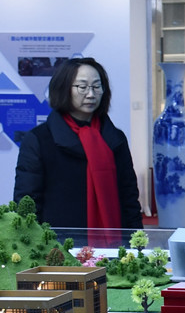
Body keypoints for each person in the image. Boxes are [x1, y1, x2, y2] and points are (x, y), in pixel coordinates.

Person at [14, 56, 143, 236]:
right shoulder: (39, 139)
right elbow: (28, 201)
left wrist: (137, 241)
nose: (90, 94)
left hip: (113, 244)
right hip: (58, 245)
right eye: (82, 87)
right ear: (63, 89)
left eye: (96, 87)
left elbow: (129, 196)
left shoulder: (115, 138)